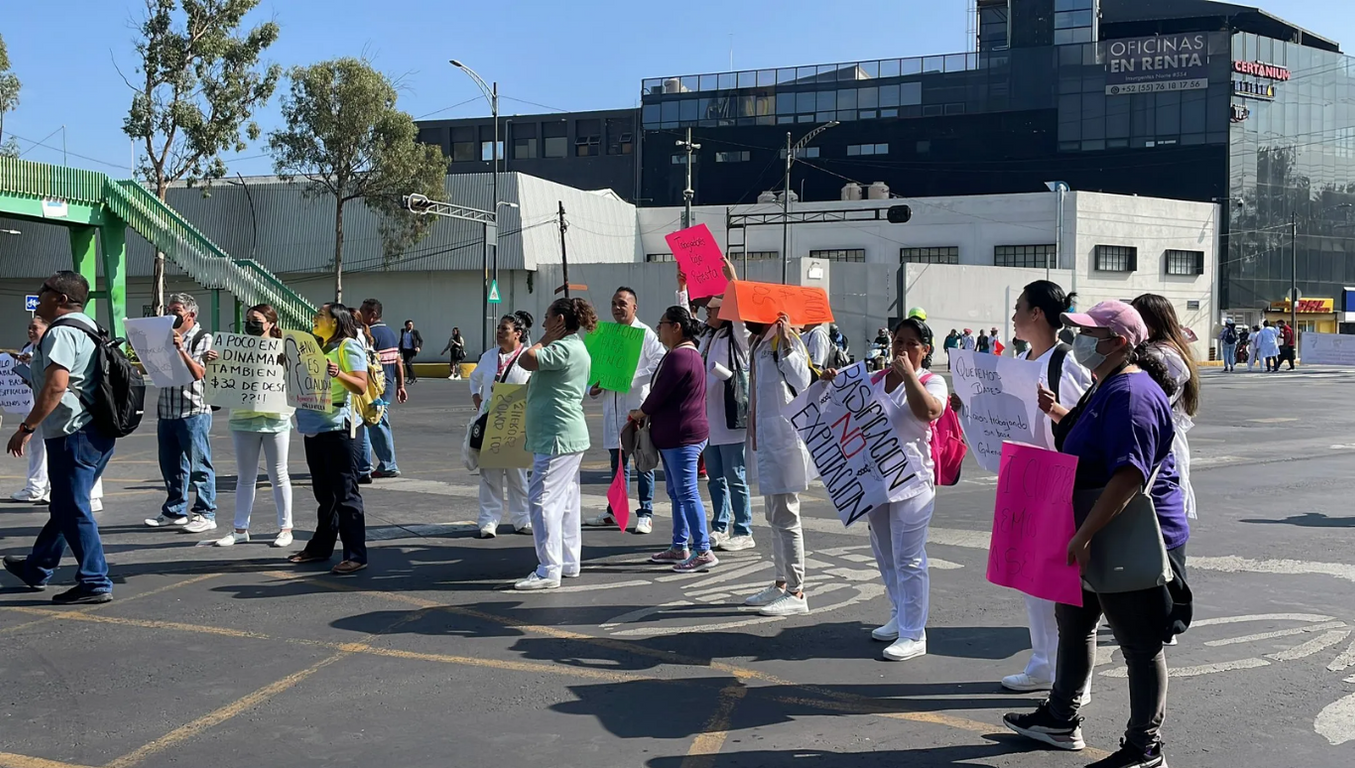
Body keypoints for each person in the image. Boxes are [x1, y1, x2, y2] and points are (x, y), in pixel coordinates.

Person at [1005, 300, 1188, 768]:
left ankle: (1144, 747)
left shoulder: (1132, 393)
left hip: (1125, 531)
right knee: (1075, 622)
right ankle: (1060, 718)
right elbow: (1094, 444)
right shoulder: (1107, 383)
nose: (1079, 340)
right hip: (1092, 525)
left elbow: (1128, 474)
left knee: (1139, 643)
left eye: (1089, 333)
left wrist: (1083, 536)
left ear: (1121, 343)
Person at [824, 315, 947, 661]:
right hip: (875, 481)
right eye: (898, 341)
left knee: (909, 557)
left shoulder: (931, 380)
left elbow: (929, 412)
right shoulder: (874, 379)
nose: (903, 348)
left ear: (925, 350)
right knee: (885, 552)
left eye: (912, 343)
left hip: (913, 482)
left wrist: (909, 376)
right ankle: (899, 613)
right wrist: (834, 384)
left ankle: (914, 633)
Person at [999, 281, 1093, 697]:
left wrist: (1053, 410)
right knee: (1030, 577)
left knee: (1064, 584)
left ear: (1037, 313)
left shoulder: (1064, 362)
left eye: (1019, 307)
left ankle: (1075, 676)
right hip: (1026, 477)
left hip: (1058, 479)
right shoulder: (1020, 360)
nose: (1015, 315)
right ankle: (1043, 661)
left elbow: (1080, 426)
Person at [1, 271, 116, 603]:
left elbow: (56, 385)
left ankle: (95, 581)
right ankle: (37, 567)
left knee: (73, 507)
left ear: (61, 299)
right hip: (96, 430)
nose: (38, 295)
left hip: (72, 433)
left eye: (44, 291)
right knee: (66, 504)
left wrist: (26, 428)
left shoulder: (61, 333)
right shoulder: (90, 327)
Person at [515, 297, 596, 590]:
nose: (544, 322)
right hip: (566, 434)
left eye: (548, 317)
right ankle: (568, 562)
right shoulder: (577, 347)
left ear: (560, 320)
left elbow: (526, 360)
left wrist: (542, 340)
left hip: (557, 435)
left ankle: (549, 568)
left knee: (541, 499)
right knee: (566, 501)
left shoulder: (562, 347)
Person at [633, 306, 718, 573]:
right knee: (677, 493)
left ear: (676, 327)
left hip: (682, 437)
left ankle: (703, 550)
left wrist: (640, 412)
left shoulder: (680, 357)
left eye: (662, 324)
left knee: (687, 492)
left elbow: (659, 394)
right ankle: (680, 545)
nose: (659, 329)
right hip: (676, 436)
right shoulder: (681, 354)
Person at [286, 303, 370, 575]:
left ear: (335, 321)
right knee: (325, 494)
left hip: (339, 428)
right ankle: (321, 547)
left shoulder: (348, 346)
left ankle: (356, 554)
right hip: (314, 426)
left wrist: (339, 373)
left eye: (320, 315)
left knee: (345, 493)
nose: (315, 318)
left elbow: (360, 384)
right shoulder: (316, 347)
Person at [202, 304, 293, 548]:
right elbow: (219, 376)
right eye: (248, 320)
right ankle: (240, 529)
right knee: (245, 477)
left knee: (279, 474)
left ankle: (286, 528)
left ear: (271, 323)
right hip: (243, 418)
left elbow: (297, 378)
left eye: (256, 320)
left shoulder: (284, 348)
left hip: (276, 419)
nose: (250, 324)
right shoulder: (234, 348)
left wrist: (289, 363)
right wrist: (209, 361)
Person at [742, 316, 816, 617]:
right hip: (765, 439)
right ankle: (781, 582)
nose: (743, 319)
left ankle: (798, 591)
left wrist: (787, 345)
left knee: (787, 514)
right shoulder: (758, 342)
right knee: (774, 515)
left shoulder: (784, 340)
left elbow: (803, 380)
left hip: (784, 440)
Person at [583, 287, 666, 534]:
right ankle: (613, 511)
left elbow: (659, 363)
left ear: (634, 307)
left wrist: (630, 379)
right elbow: (593, 368)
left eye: (622, 304)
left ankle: (646, 512)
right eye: (614, 304)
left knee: (642, 462)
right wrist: (592, 389)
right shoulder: (605, 335)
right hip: (612, 408)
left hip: (636, 409)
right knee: (617, 464)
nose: (617, 308)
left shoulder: (645, 335)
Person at [143, 292, 217, 533]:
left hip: (193, 410)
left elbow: (198, 373)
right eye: (169, 310)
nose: (170, 315)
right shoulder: (164, 336)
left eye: (175, 311)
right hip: (167, 409)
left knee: (199, 465)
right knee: (171, 465)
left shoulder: (202, 338)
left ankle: (206, 512)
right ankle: (175, 510)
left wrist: (181, 349)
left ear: (190, 314)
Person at [1133, 294, 1201, 522]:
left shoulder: (1163, 356)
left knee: (1160, 512)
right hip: (1165, 439)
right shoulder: (1168, 349)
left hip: (1162, 443)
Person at [471, 311, 534, 538]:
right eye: (498, 328)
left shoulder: (529, 356)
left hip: (517, 423)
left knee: (517, 473)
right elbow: (474, 379)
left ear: (518, 334)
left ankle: (522, 518)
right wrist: (477, 399)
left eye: (504, 329)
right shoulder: (489, 356)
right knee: (490, 474)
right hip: (491, 421)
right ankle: (488, 520)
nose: (499, 332)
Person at [699, 297, 754, 552]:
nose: (707, 312)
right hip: (709, 417)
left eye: (712, 309)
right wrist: (682, 290)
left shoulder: (737, 337)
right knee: (715, 478)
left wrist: (732, 286)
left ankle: (743, 529)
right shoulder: (708, 337)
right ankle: (720, 526)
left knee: (735, 477)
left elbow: (740, 320)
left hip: (730, 417)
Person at [357, 299, 405, 481]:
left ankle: (386, 464)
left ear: (373, 315)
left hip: (373, 391)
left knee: (373, 427)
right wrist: (401, 385)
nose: (360, 316)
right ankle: (383, 463)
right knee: (378, 425)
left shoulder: (370, 335)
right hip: (386, 389)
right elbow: (398, 362)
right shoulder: (391, 333)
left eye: (363, 312)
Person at [399, 319, 422, 384]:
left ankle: (411, 378)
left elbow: (421, 340)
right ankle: (414, 377)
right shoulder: (402, 331)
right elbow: (401, 340)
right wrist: (399, 348)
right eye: (409, 325)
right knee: (407, 364)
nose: (411, 326)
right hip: (404, 349)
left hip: (411, 350)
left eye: (412, 325)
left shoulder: (415, 332)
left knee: (408, 363)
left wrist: (418, 347)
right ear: (406, 325)